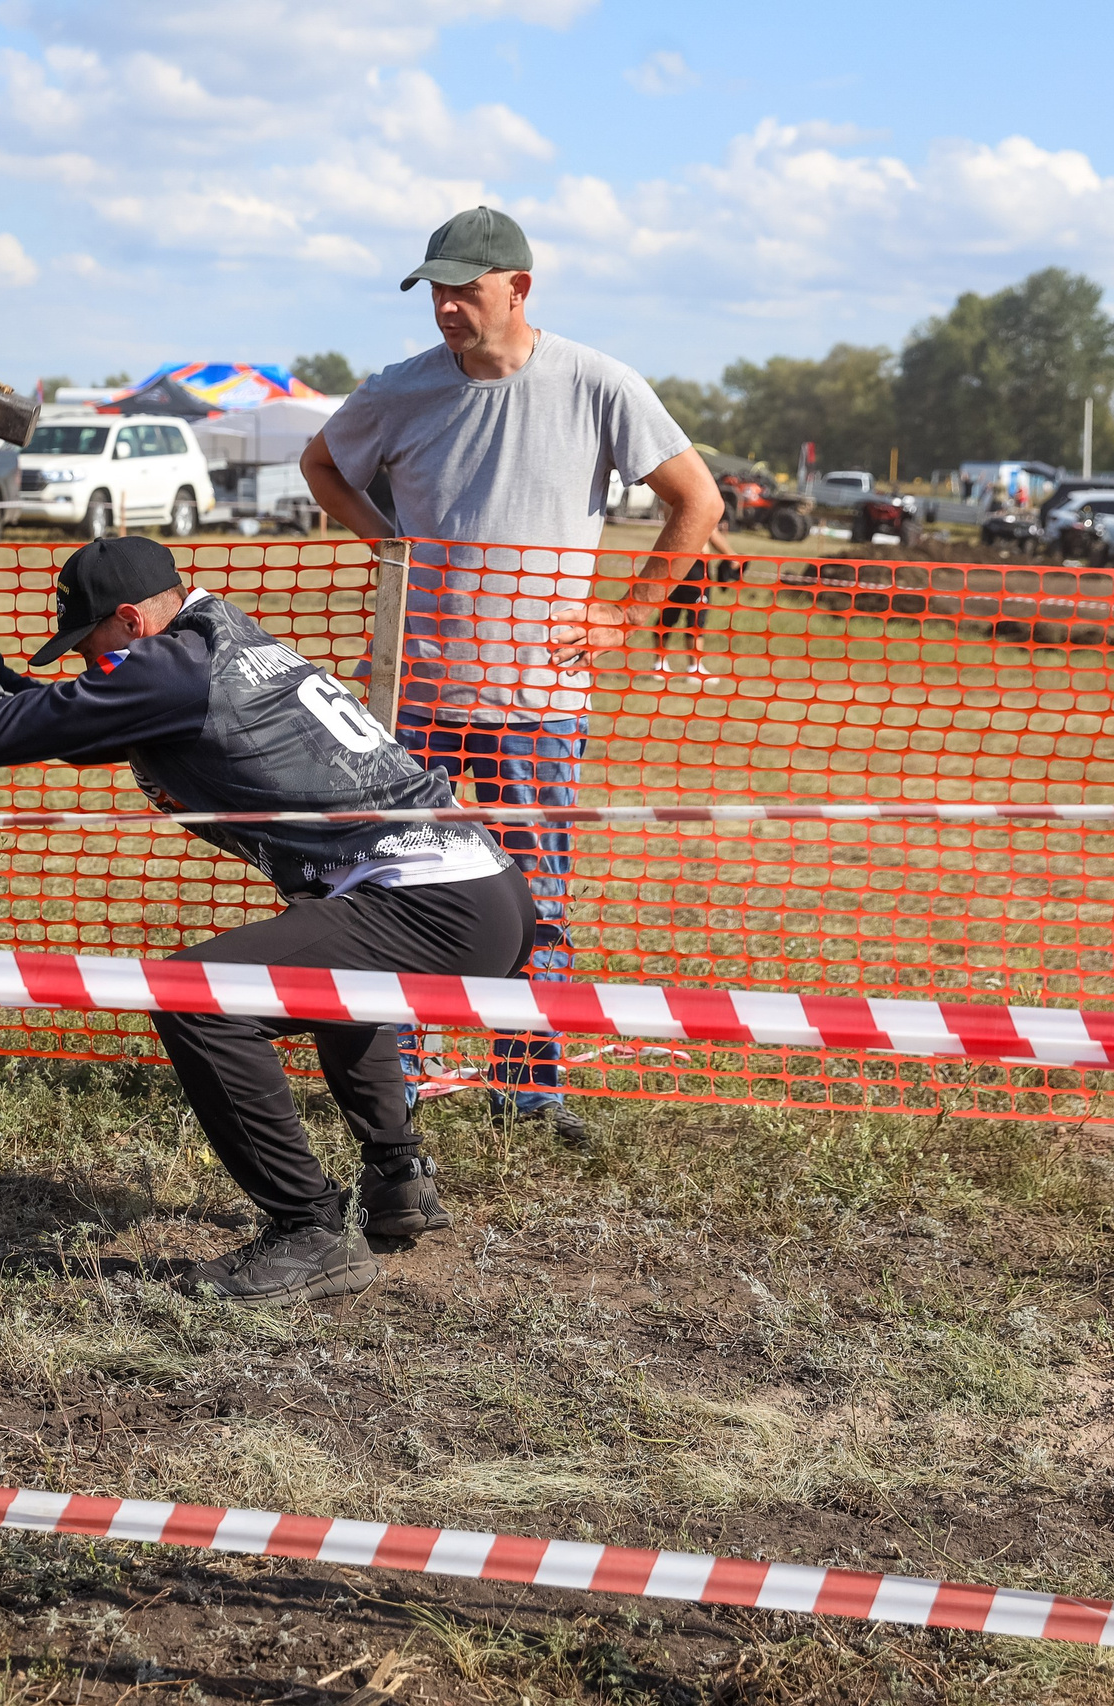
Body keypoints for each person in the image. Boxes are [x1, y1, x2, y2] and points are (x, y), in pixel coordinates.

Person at [0, 535, 537, 1305]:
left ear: (132, 621)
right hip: (480, 890)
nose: (86, 661)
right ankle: (398, 1182)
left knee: (195, 997)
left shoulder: (171, 670)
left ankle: (308, 1232)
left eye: (90, 642)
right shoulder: (214, 639)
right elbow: (53, 719)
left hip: (434, 903)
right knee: (335, 983)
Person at [301, 207, 723, 1144]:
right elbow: (323, 462)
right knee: (394, 892)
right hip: (409, 698)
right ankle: (397, 1079)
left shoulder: (598, 383)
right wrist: (386, 542)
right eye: (436, 291)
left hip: (537, 704)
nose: (447, 307)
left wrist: (631, 611)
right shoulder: (399, 391)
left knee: (540, 899)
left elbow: (699, 498)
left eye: (464, 289)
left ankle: (530, 1088)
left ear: (518, 288)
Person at [652, 536, 741, 677]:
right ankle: (694, 667)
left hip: (673, 561)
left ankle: (658, 664)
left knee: (667, 615)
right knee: (696, 618)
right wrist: (732, 556)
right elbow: (710, 530)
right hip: (695, 564)